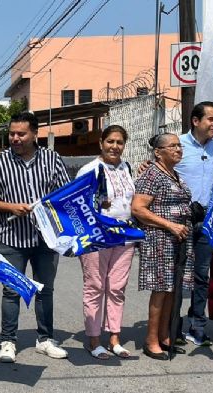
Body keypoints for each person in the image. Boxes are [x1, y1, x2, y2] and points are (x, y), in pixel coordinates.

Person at [0, 111, 71, 363]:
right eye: (12, 133)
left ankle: (45, 339)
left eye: (21, 134)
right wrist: (10, 207)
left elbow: (64, 194)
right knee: (11, 290)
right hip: (11, 237)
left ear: (35, 134)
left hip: (46, 239)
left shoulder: (52, 159)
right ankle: (8, 341)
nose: (15, 138)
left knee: (45, 289)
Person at [132, 133, 194, 360]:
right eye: (172, 146)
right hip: (160, 239)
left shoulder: (174, 174)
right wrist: (170, 225)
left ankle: (164, 335)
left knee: (171, 289)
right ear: (158, 152)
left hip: (178, 239)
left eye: (179, 145)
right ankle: (151, 340)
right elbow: (138, 209)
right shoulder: (151, 174)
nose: (178, 149)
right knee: (160, 290)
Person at [75, 125, 136, 359]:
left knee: (117, 288)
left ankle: (114, 338)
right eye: (110, 141)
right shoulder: (89, 170)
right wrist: (96, 207)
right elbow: (78, 206)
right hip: (97, 236)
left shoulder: (127, 168)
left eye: (119, 142)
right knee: (95, 286)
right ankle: (93, 340)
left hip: (124, 235)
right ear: (101, 142)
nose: (115, 146)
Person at [176, 102, 213, 347]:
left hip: (207, 221)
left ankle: (197, 325)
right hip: (179, 221)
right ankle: (172, 326)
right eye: (210, 119)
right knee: (178, 273)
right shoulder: (178, 144)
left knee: (202, 276)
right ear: (195, 121)